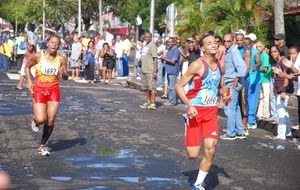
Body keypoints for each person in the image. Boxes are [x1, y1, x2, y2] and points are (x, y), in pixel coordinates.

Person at [175, 33, 230, 190]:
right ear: (203, 48)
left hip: (211, 113)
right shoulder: (197, 65)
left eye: (216, 43)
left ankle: (198, 184)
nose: (214, 45)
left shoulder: (220, 65)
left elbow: (221, 87)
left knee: (211, 148)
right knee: (193, 155)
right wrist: (189, 105)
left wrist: (225, 96)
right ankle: (187, 122)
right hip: (195, 112)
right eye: (210, 43)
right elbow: (178, 86)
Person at [25, 35, 68, 156]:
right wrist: (29, 81)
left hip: (54, 91)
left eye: (57, 43)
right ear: (47, 43)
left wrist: (64, 74)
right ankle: (35, 121)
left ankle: (43, 144)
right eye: (52, 42)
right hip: (39, 90)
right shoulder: (38, 56)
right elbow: (27, 67)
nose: (54, 45)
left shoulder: (62, 59)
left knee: (51, 119)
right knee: (41, 119)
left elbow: (65, 77)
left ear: (59, 45)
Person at [220, 34, 247, 140]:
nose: (226, 43)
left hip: (231, 84)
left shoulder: (233, 51)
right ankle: (239, 131)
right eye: (225, 41)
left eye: (229, 41)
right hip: (231, 84)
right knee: (235, 108)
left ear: (233, 41)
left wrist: (236, 78)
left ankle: (230, 133)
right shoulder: (229, 51)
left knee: (230, 108)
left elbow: (242, 68)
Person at [271, 46, 295, 140]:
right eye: (272, 52)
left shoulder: (283, 61)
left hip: (284, 90)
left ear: (280, 52)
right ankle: (288, 132)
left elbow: (286, 77)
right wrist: (275, 87)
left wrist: (283, 91)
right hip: (279, 89)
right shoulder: (278, 62)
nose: (273, 53)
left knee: (281, 112)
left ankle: (281, 135)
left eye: (275, 51)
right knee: (284, 112)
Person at [139, 32, 158, 110]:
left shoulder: (152, 45)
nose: (146, 38)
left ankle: (153, 103)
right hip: (144, 70)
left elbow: (155, 59)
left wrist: (155, 71)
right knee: (146, 88)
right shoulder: (146, 45)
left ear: (151, 37)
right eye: (145, 37)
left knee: (152, 88)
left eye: (148, 37)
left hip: (150, 70)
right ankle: (148, 102)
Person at [161, 37, 181, 106]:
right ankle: (170, 100)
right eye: (168, 42)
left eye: (171, 42)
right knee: (170, 86)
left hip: (173, 71)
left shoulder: (175, 50)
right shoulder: (169, 49)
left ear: (174, 42)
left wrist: (164, 58)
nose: (169, 43)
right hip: (168, 70)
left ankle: (172, 101)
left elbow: (173, 61)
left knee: (172, 87)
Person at [256, 41, 271, 120]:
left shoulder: (265, 55)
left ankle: (266, 114)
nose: (258, 48)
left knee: (265, 98)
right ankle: (260, 113)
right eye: (257, 47)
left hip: (265, 80)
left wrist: (255, 68)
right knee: (261, 97)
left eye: (259, 46)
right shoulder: (259, 55)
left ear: (263, 46)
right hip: (260, 79)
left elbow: (265, 69)